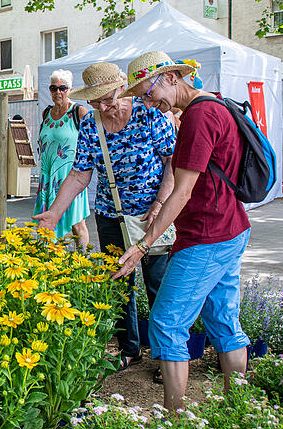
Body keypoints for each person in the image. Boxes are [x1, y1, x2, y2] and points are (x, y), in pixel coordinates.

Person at [113, 50, 251, 410]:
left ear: (171, 78)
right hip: (231, 227)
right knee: (223, 321)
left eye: (148, 93)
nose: (147, 103)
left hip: (207, 235)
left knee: (166, 323)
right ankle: (239, 411)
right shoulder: (216, 104)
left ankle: (175, 423)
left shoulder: (199, 116)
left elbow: (182, 191)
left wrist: (143, 245)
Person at [33, 62, 176, 370]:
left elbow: (172, 164)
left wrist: (161, 204)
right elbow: (79, 174)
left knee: (158, 285)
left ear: (122, 88)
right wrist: (54, 213)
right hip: (110, 216)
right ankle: (130, 349)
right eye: (95, 101)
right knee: (118, 284)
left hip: (151, 216)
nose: (102, 107)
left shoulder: (149, 113)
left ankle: (167, 356)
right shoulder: (90, 124)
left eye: (107, 99)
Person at [34, 70, 90, 248]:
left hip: (71, 176)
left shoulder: (79, 112)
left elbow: (91, 143)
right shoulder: (46, 113)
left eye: (62, 88)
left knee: (77, 223)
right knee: (47, 221)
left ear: (70, 89)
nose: (58, 92)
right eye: (53, 88)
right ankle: (51, 257)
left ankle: (83, 258)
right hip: (48, 176)